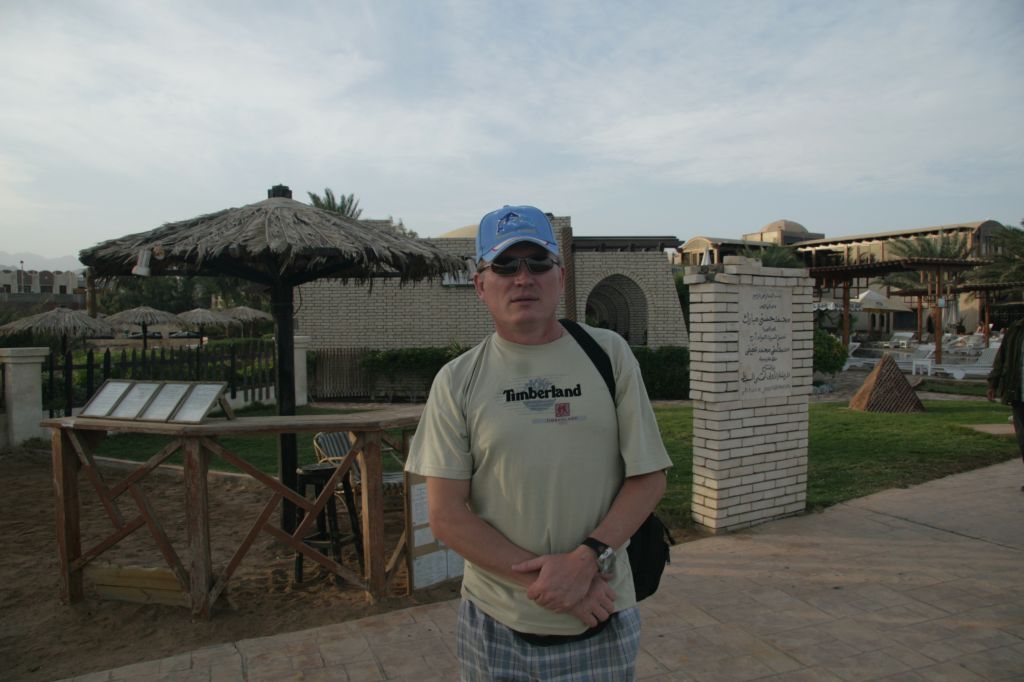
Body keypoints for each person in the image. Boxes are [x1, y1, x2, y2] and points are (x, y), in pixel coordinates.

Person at [405, 205, 672, 681]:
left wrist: (586, 561)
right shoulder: (457, 380)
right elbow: (446, 515)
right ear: (480, 284)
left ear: (560, 277)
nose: (523, 278)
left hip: (600, 613)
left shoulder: (608, 354)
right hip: (496, 625)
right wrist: (558, 583)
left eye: (538, 262)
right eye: (505, 265)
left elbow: (648, 477)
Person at [986, 317, 1024, 490]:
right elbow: (1001, 357)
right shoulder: (1016, 329)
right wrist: (993, 383)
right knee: (1022, 439)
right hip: (1018, 393)